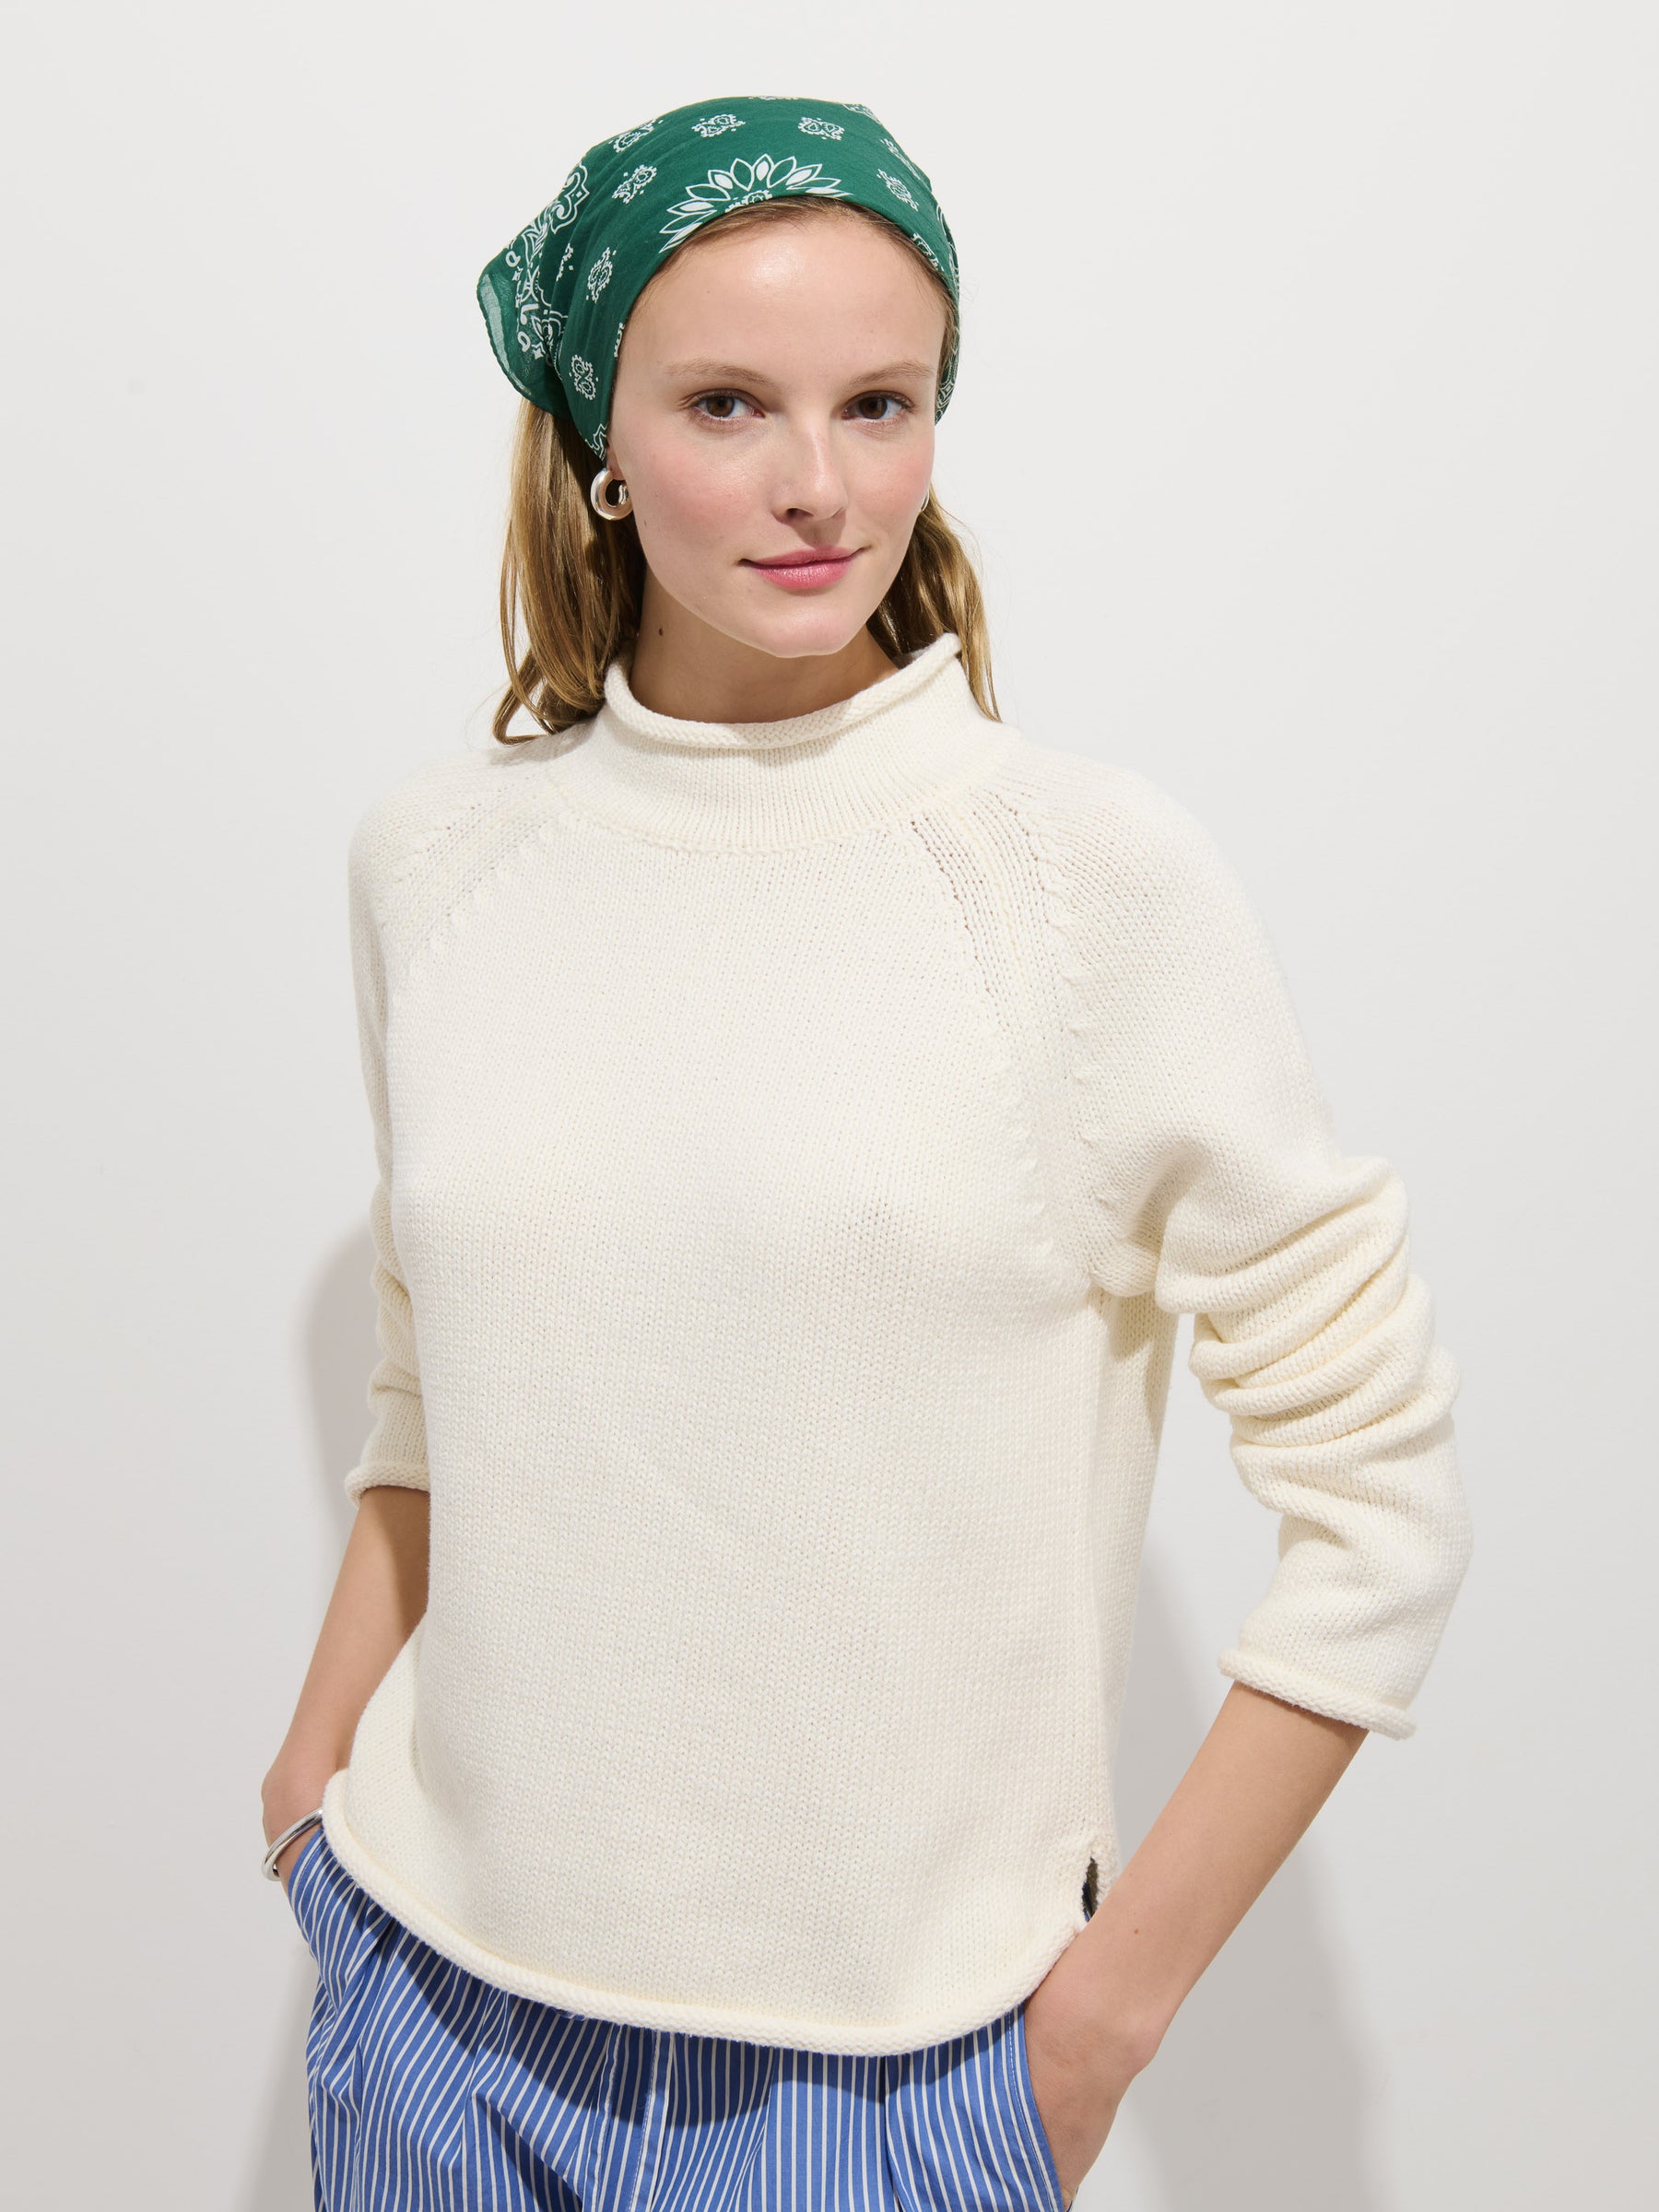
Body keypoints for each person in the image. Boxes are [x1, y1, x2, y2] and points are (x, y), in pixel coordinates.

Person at [260, 91, 1474, 2211]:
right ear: (601, 438)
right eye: (729, 403)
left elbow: (1382, 1503)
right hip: (434, 2024)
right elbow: (433, 1375)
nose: (820, 485)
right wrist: (314, 1783)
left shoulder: (1080, 882)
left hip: (891, 2089)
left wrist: (1094, 2032)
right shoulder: (435, 864)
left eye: (880, 403)